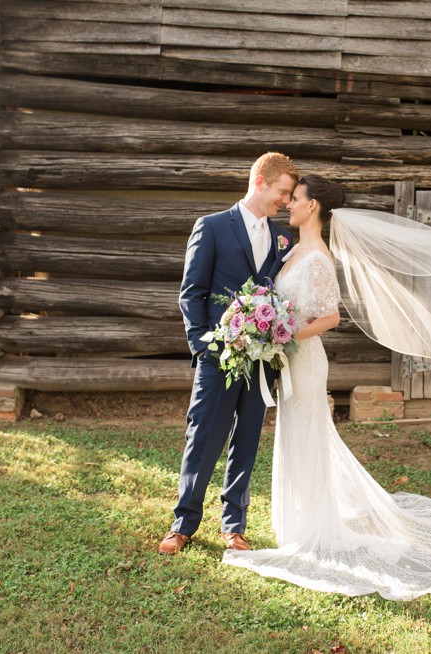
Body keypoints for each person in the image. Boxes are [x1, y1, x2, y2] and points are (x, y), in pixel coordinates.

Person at [222, 175, 431, 601]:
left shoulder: (318, 258)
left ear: (313, 208)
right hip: (291, 359)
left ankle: (314, 526)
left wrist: (279, 336)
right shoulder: (295, 250)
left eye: (296, 199)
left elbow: (328, 318)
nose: (289, 204)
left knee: (308, 436)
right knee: (299, 436)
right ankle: (302, 517)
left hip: (305, 363)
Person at [158, 153, 299, 555]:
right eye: (282, 192)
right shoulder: (213, 227)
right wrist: (202, 343)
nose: (286, 201)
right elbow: (192, 292)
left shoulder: (282, 240)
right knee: (203, 438)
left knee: (248, 440)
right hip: (218, 355)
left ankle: (234, 525)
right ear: (260, 182)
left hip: (261, 359)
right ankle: (183, 524)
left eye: (291, 195)